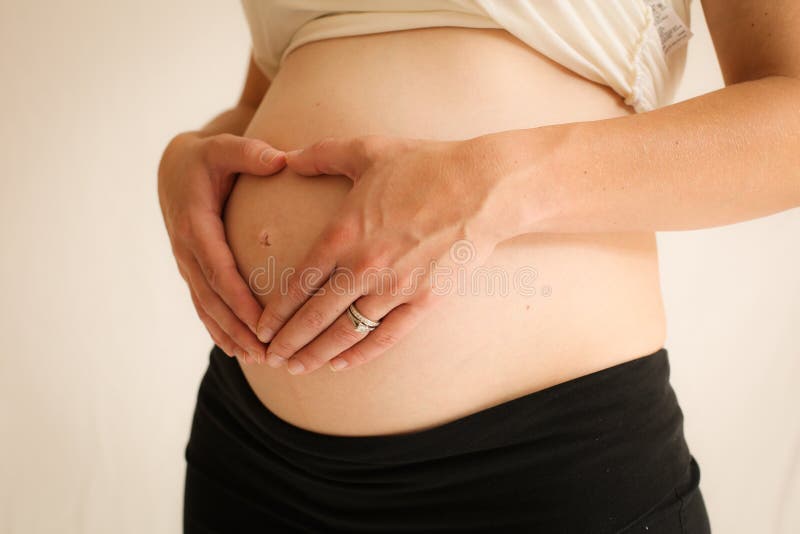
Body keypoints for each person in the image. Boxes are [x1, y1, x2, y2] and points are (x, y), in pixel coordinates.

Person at [158, 1, 799, 531]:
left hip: (547, 465)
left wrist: (485, 187)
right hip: (254, 458)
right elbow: (274, 81)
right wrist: (188, 156)